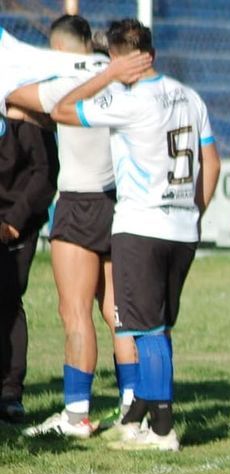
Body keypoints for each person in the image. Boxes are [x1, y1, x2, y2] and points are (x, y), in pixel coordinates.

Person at [50, 18, 221, 451]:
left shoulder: (129, 100)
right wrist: (191, 214)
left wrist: (106, 76)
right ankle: (139, 412)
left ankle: (161, 430)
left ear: (119, 59)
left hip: (141, 227)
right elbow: (212, 164)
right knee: (156, 325)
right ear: (152, 53)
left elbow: (61, 110)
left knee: (146, 328)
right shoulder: (190, 96)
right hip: (182, 227)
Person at [7, 14, 140, 439]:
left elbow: (15, 99)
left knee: (74, 311)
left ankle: (76, 415)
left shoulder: (64, 75)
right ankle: (131, 408)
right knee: (118, 312)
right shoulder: (118, 75)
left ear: (59, 48)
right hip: (119, 200)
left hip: (79, 202)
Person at [0, 102, 58, 423]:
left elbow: (45, 173)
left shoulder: (25, 108)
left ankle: (10, 392)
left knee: (7, 299)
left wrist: (13, 222)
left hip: (15, 223)